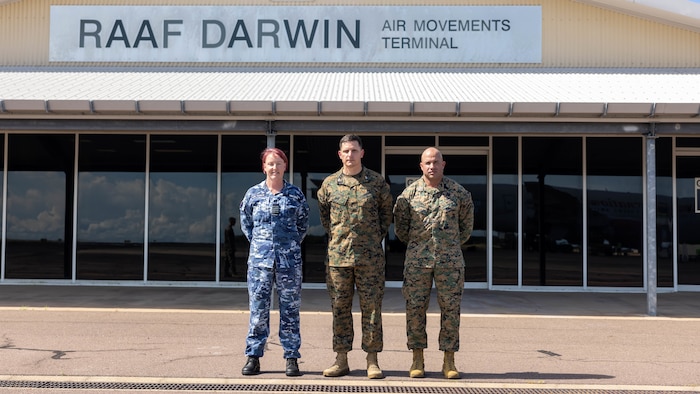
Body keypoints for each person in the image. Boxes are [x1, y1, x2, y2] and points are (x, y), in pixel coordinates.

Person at [392, 147, 474, 380]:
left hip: (450, 263)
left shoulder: (459, 193)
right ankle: (417, 358)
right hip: (418, 262)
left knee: (451, 311)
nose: (432, 166)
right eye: (427, 162)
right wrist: (421, 246)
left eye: (436, 162)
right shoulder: (408, 196)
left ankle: (449, 360)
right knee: (415, 310)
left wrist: (447, 247)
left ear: (443, 164)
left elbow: (466, 229)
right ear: (421, 166)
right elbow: (401, 230)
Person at [317, 134, 393, 379]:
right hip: (338, 260)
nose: (350, 155)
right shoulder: (329, 185)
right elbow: (326, 220)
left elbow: (385, 218)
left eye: (354, 150)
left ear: (362, 153)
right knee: (340, 309)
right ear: (340, 155)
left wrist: (369, 241)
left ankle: (372, 360)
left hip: (370, 259)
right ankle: (341, 359)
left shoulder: (377, 183)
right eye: (345, 151)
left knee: (372, 310)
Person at [239, 147, 310, 377]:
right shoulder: (253, 194)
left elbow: (302, 225)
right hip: (260, 263)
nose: (274, 168)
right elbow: (247, 224)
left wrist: (286, 246)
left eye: (279, 163)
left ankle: (291, 357)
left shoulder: (295, 195)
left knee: (290, 310)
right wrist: (262, 246)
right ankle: (253, 356)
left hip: (289, 263)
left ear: (285, 167)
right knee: (258, 310)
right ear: (264, 167)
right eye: (270, 163)